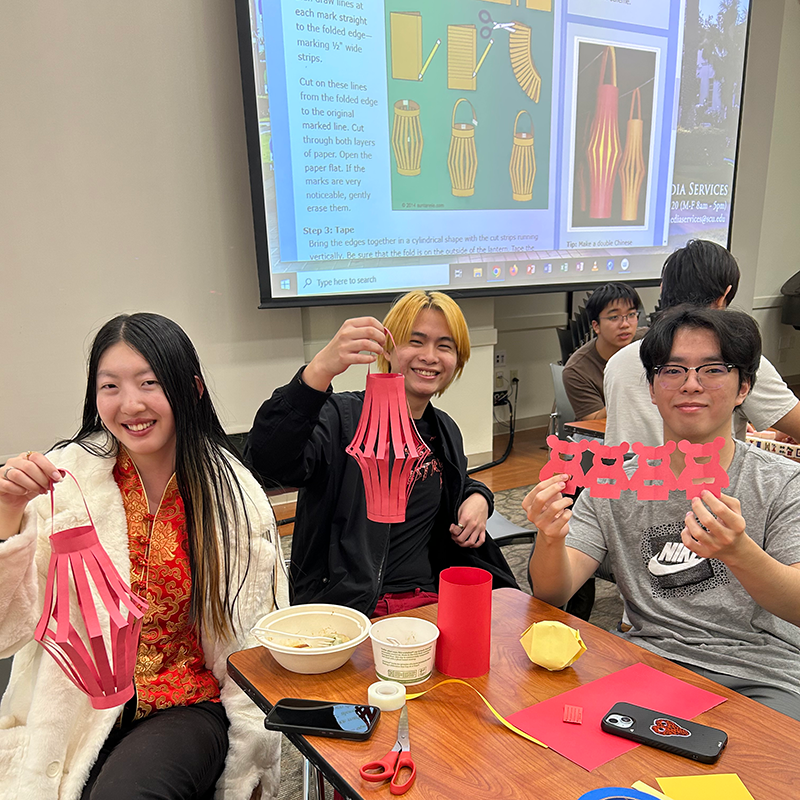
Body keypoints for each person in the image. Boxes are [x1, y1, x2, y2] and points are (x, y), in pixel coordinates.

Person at [0, 313, 288, 800]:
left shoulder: (231, 494)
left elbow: (253, 636)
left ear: (191, 389)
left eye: (150, 383)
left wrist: (255, 755)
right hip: (73, 705)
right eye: (110, 385)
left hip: (184, 703)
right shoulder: (64, 482)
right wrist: (9, 515)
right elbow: (7, 631)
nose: (130, 404)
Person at [525, 306, 800, 720]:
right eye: (672, 370)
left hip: (762, 674)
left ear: (744, 387)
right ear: (652, 388)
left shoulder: (781, 482)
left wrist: (739, 551)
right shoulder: (613, 481)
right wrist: (549, 538)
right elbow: (552, 593)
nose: (690, 385)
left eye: (712, 369)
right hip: (649, 664)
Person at [245, 290, 517, 618]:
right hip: (352, 609)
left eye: (444, 346)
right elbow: (266, 462)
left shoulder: (443, 430)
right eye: (415, 342)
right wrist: (319, 371)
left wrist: (479, 496)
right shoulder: (341, 418)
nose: (430, 356)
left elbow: (454, 485)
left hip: (432, 600)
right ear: (387, 348)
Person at [604, 239, 800, 447]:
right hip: (712, 476)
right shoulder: (734, 357)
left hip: (626, 477)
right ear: (723, 296)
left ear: (663, 290)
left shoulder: (618, 361)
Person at [562, 283, 642, 421]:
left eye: (631, 315)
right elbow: (594, 421)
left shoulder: (648, 342)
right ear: (596, 326)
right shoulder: (577, 370)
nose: (625, 324)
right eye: (614, 317)